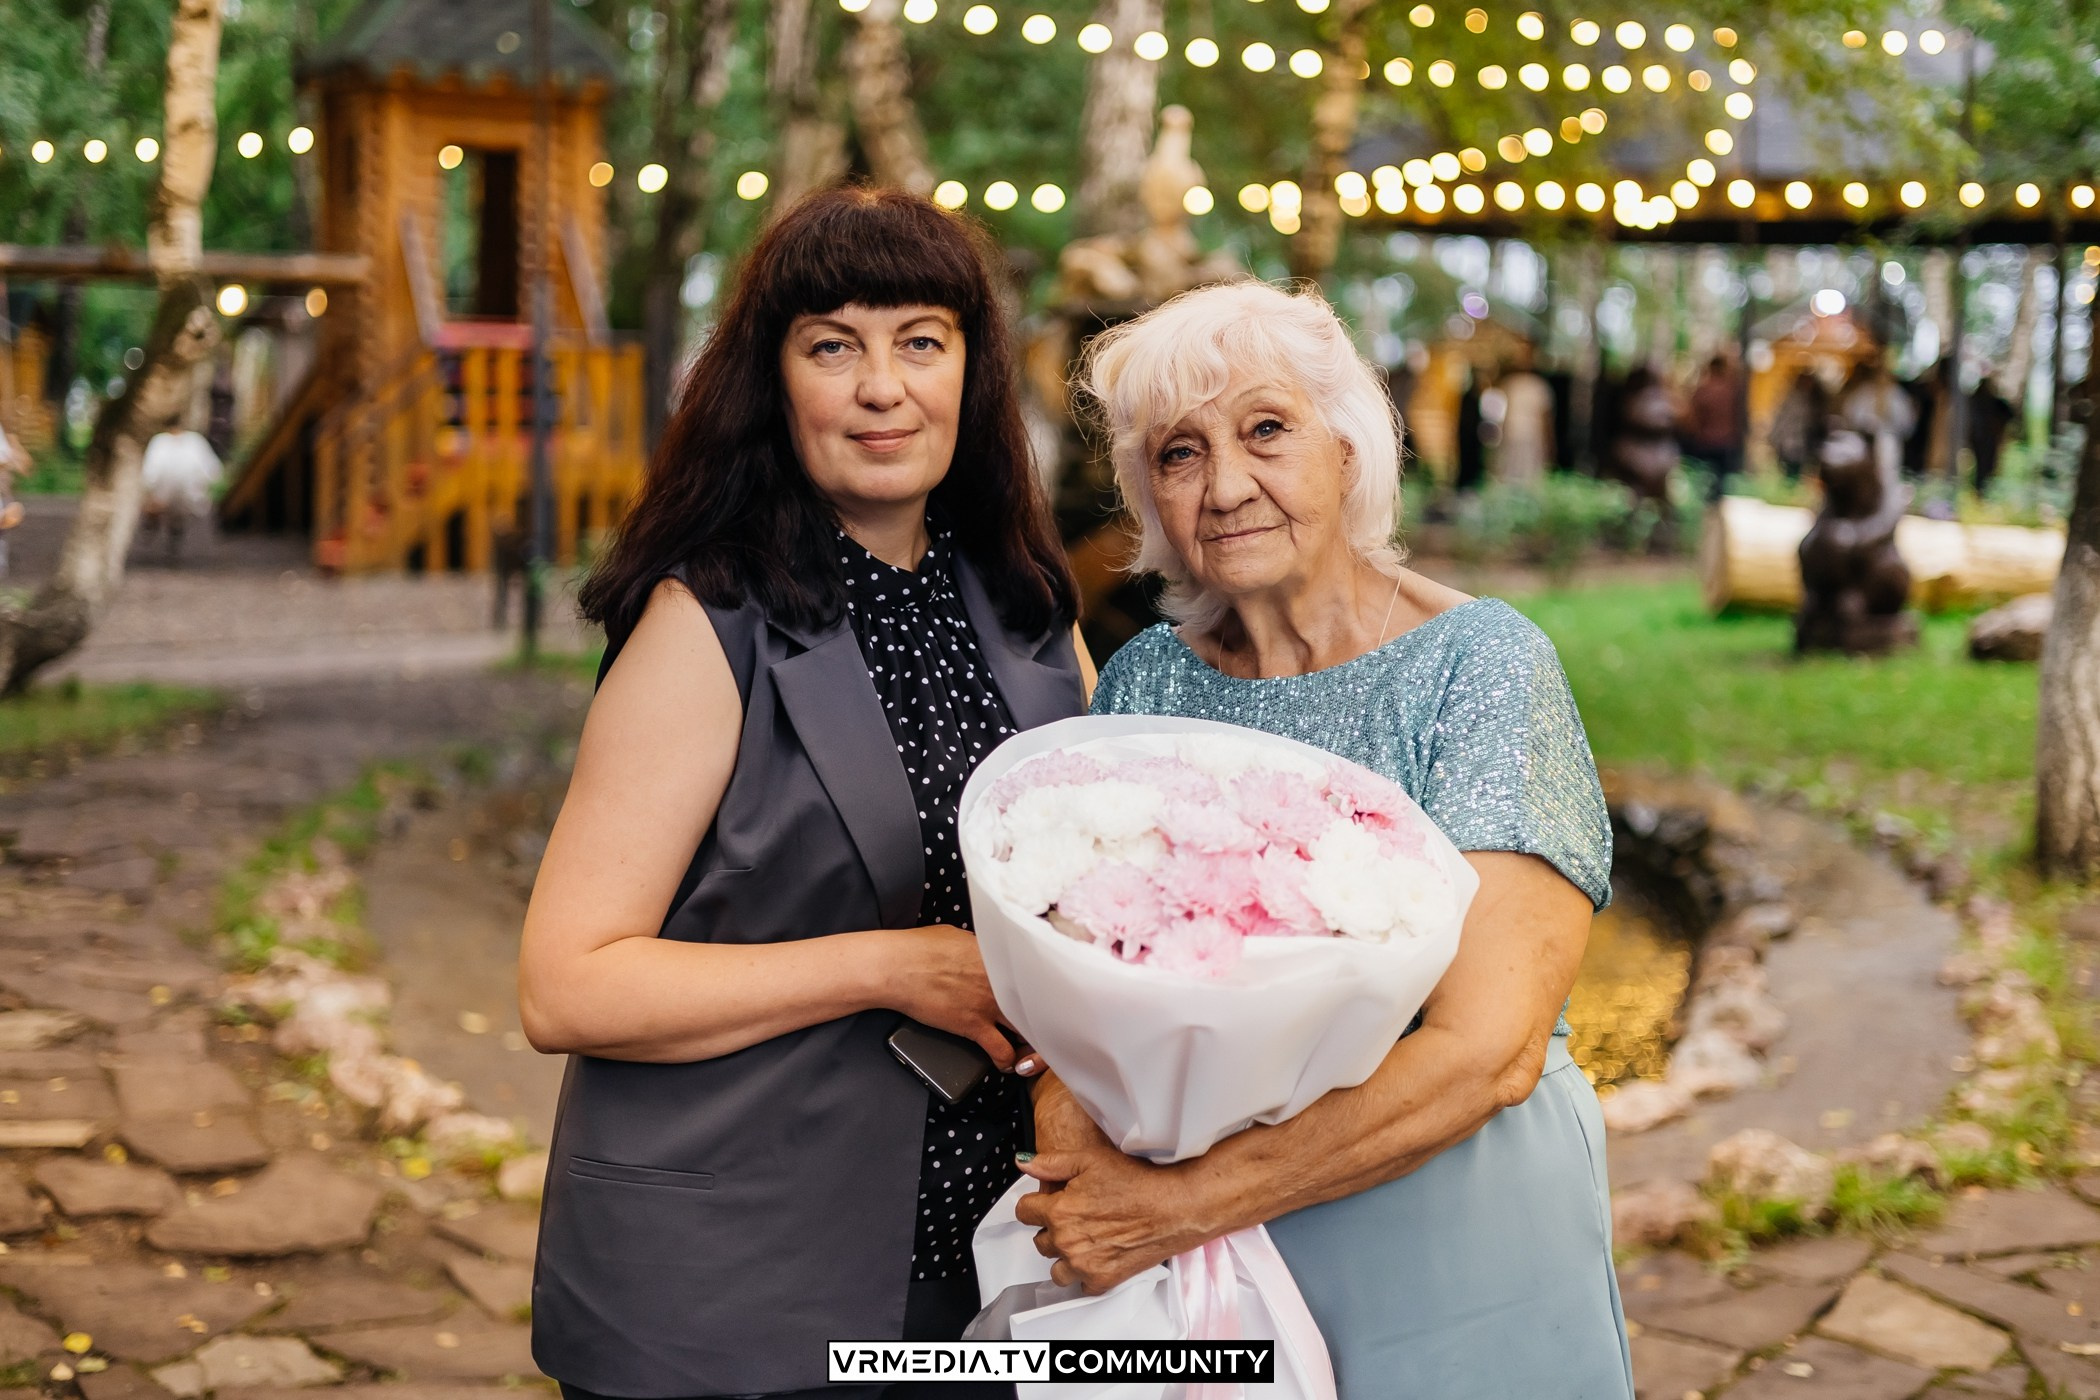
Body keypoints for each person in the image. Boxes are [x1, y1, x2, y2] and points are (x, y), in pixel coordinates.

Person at [517, 187, 1089, 1400]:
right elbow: (566, 980)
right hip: (737, 1278)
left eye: (920, 340)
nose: (883, 385)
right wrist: (888, 963)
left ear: (971, 373)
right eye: (834, 345)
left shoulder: (1028, 606)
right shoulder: (706, 619)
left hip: (987, 1259)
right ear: (775, 383)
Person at [1019, 280, 1630, 1399]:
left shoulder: (1481, 665)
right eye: (1179, 453)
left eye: (1265, 429)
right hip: (1210, 1268)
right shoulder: (1149, 682)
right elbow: (1071, 986)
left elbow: (1488, 1049)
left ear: (1348, 449)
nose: (1228, 485)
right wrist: (1085, 1159)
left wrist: (1181, 1203)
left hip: (1453, 1225)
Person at [1682, 353, 1743, 497]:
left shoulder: (1703, 390)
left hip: (1705, 442)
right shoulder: (1732, 390)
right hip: (1725, 443)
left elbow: (1691, 418)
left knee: (1703, 485)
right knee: (1719, 488)